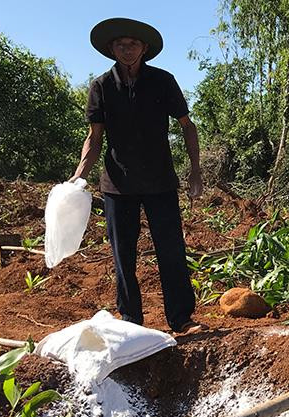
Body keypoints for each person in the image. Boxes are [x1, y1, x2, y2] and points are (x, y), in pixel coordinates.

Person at [70, 17, 203, 334]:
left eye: (132, 44)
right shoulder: (101, 86)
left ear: (144, 48)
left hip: (160, 181)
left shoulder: (162, 81)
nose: (126, 50)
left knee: (171, 250)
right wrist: (78, 178)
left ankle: (181, 319)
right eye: (120, 44)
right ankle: (131, 321)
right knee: (123, 254)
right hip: (118, 184)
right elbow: (94, 137)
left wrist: (195, 170)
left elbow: (188, 126)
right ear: (111, 49)